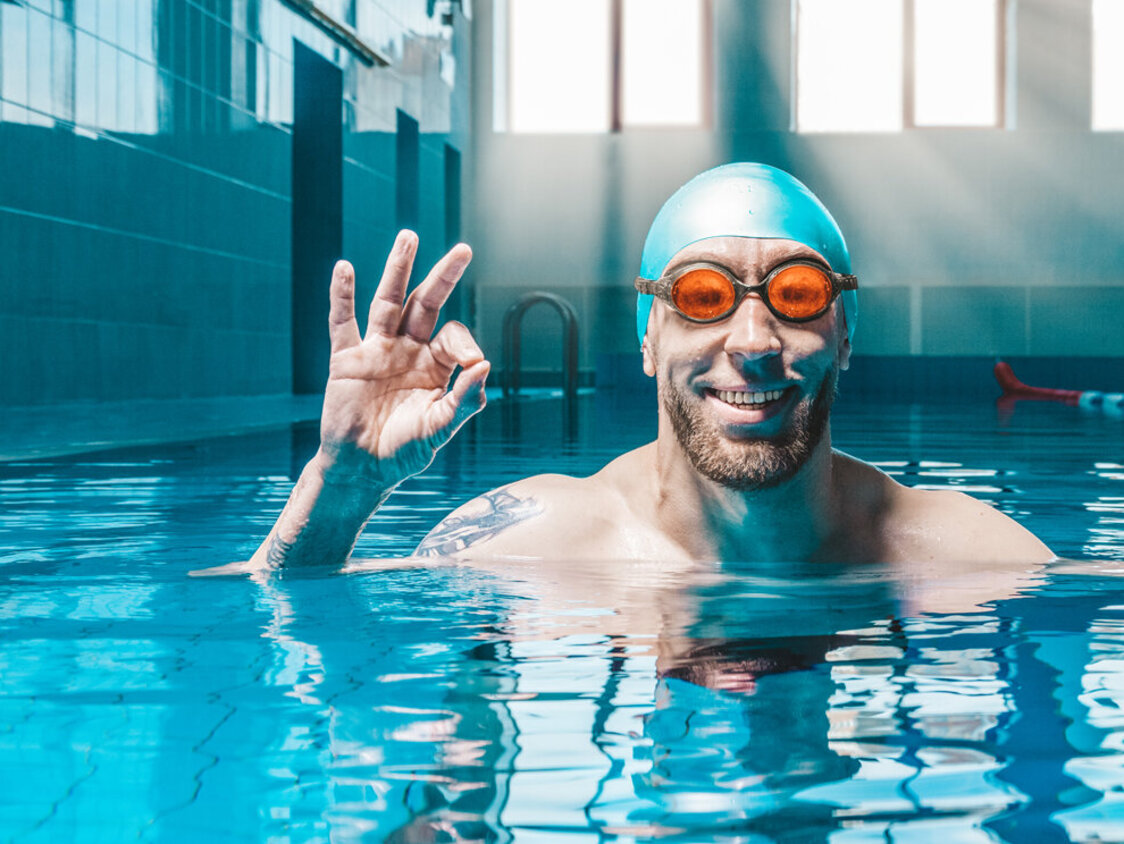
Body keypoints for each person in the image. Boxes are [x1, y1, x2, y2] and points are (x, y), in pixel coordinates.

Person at [249, 163, 1054, 572]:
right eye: (701, 296)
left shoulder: (971, 551)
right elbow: (248, 605)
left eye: (797, 292)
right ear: (646, 339)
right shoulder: (534, 539)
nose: (752, 339)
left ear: (845, 336)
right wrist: (338, 491)